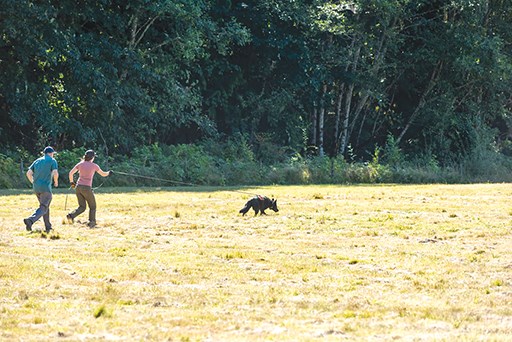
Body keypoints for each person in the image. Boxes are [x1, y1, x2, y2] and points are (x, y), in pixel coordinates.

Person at [67, 150, 112, 228]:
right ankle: (92, 221)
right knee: (93, 206)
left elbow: (70, 173)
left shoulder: (80, 164)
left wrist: (72, 183)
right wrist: (109, 173)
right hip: (87, 188)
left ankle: (71, 216)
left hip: (78, 187)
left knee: (82, 207)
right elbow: (103, 174)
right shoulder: (94, 166)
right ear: (92, 157)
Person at [24, 146, 59, 233]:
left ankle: (48, 226)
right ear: (51, 153)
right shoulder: (52, 160)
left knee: (44, 206)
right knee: (43, 207)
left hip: (36, 187)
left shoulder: (37, 161)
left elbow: (28, 173)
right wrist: (56, 181)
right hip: (45, 188)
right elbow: (55, 172)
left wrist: (33, 182)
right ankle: (30, 220)